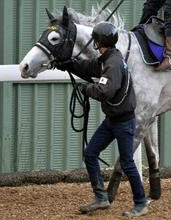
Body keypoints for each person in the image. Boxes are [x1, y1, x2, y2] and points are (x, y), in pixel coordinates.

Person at [57, 22, 148, 217]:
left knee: (127, 163)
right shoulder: (108, 59)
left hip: (123, 123)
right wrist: (67, 64)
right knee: (90, 153)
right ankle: (101, 197)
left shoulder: (113, 64)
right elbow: (89, 67)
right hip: (113, 120)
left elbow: (106, 91)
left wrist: (86, 88)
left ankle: (141, 203)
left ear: (99, 42)